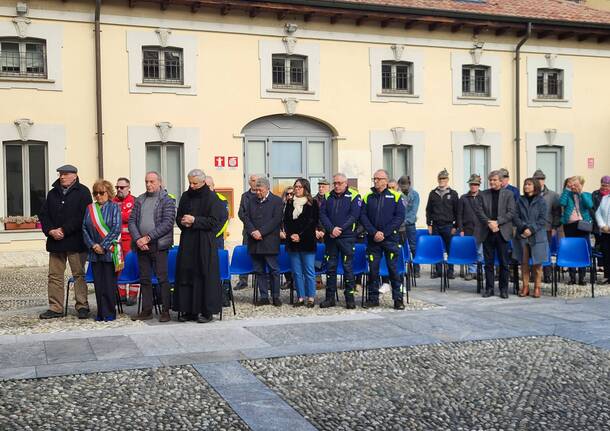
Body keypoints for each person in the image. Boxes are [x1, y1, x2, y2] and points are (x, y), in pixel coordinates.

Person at [38, 164, 92, 320]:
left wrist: (64, 230)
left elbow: (83, 216)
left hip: (75, 241)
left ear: (75, 175)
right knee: (54, 276)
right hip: (55, 242)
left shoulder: (83, 192)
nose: (62, 176)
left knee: (79, 275)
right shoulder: (53, 193)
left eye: (65, 174)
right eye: (60, 174)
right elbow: (44, 215)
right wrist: (50, 231)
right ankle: (55, 308)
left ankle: (82, 306)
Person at [174, 169, 227, 323]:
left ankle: (206, 311)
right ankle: (188, 310)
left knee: (204, 275)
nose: (192, 185)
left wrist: (195, 220)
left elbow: (214, 221)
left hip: (204, 241)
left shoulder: (212, 198)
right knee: (187, 273)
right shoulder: (186, 195)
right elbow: (179, 216)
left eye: (195, 183)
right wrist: (182, 221)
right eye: (190, 182)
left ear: (203, 182)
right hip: (188, 240)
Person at [128, 171, 176, 322]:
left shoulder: (167, 200)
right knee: (144, 279)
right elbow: (131, 222)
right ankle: (146, 310)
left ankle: (165, 311)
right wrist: (138, 240)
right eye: (146, 182)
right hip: (141, 246)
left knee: (162, 278)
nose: (149, 184)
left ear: (159, 182)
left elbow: (167, 223)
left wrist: (147, 238)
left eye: (152, 182)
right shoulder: (140, 199)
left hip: (158, 245)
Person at [360, 169, 406, 310]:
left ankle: (398, 299)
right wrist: (374, 232)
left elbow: (399, 217)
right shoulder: (368, 196)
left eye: (379, 179)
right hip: (373, 240)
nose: (376, 181)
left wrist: (384, 233)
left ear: (386, 181)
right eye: (374, 178)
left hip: (390, 239)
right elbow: (363, 216)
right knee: (373, 271)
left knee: (393, 270)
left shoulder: (396, 196)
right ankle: (373, 298)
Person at [319, 173, 361, 309]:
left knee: (348, 268)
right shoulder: (327, 196)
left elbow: (354, 216)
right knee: (330, 268)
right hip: (331, 238)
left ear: (346, 183)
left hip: (347, 237)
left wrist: (340, 229)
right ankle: (330, 298)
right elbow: (322, 215)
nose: (336, 185)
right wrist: (331, 229)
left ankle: (350, 299)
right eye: (335, 183)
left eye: (339, 183)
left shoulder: (354, 196)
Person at [82, 180, 122, 320]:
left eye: (101, 193)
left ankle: (110, 313)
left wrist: (103, 246)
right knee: (98, 284)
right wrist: (93, 245)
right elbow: (84, 229)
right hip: (94, 252)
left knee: (109, 284)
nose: (98, 196)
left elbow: (116, 228)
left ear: (109, 193)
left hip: (109, 252)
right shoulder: (89, 208)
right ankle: (101, 312)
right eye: (96, 193)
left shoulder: (115, 207)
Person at [475, 170, 516, 298]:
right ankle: (489, 289)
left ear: (501, 181)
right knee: (488, 263)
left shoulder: (508, 194)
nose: (492, 182)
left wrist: (497, 222)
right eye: (490, 180)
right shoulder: (483, 194)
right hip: (487, 232)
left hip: (502, 232)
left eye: (495, 180)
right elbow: (478, 210)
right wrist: (489, 223)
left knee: (504, 263)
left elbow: (511, 212)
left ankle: (503, 289)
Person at [243, 177, 283, 306]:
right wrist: (253, 231)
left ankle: (276, 296)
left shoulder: (277, 201)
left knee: (274, 270)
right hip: (254, 242)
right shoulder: (251, 200)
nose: (258, 193)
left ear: (267, 189)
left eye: (260, 190)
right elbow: (246, 218)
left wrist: (261, 232)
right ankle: (264, 296)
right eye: (256, 190)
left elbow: (276, 220)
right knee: (259, 270)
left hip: (269, 241)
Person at [283, 178, 319, 308]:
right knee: (297, 272)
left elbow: (311, 222)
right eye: (295, 186)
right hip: (293, 242)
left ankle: (310, 297)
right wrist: (292, 234)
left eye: (299, 187)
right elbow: (286, 221)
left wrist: (300, 236)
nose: (297, 189)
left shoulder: (312, 203)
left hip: (307, 241)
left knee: (309, 271)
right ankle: (300, 297)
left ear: (305, 188)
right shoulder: (289, 202)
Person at [513, 178, 549, 298]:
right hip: (522, 235)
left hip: (537, 236)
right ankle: (525, 287)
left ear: (535, 187)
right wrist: (524, 228)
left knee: (537, 264)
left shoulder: (541, 201)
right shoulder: (520, 200)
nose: (526, 186)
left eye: (529, 184)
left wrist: (531, 229)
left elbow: (543, 219)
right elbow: (515, 216)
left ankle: (537, 287)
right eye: (525, 184)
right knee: (524, 263)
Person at [559, 176, 594, 285]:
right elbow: (562, 203)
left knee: (582, 249)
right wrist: (567, 189)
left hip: (583, 225)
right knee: (571, 249)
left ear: (581, 185)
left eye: (576, 184)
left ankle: (582, 277)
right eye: (572, 184)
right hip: (570, 225)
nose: (574, 186)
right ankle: (572, 277)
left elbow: (589, 205)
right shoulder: (567, 194)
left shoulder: (586, 194)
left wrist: (581, 193)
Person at [425, 169, 459, 279]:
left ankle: (450, 271)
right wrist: (429, 225)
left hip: (448, 225)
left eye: (444, 178)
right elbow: (428, 210)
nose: (442, 180)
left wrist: (455, 226)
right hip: (435, 225)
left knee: (450, 249)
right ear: (437, 179)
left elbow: (457, 211)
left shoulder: (453, 194)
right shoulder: (433, 193)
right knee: (437, 248)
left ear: (447, 180)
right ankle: (438, 271)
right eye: (440, 179)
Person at [205, 175, 231, 307]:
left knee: (220, 267)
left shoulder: (222, 200)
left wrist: (212, 235)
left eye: (209, 186)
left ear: (213, 186)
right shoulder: (201, 199)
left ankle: (224, 295)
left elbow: (224, 222)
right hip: (204, 240)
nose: (207, 188)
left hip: (216, 239)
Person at [532, 170, 561, 283]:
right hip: (533, 228)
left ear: (544, 180)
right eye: (536, 179)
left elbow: (557, 213)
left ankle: (547, 275)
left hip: (547, 228)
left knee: (546, 251)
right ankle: (533, 275)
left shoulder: (553, 195)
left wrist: (554, 227)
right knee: (533, 251)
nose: (539, 181)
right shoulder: (529, 193)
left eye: (541, 179)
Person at [113, 177, 138, 305]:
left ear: (128, 188)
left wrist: (118, 216)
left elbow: (131, 217)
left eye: (122, 187)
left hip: (131, 241)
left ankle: (133, 295)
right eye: (117, 187)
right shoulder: (113, 201)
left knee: (132, 266)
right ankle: (121, 294)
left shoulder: (134, 201)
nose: (119, 190)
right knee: (119, 267)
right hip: (117, 241)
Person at [457, 174, 485, 281]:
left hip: (480, 229)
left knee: (480, 252)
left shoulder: (483, 197)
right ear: (469, 185)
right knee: (470, 251)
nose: (474, 186)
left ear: (479, 185)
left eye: (476, 184)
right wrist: (461, 229)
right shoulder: (463, 198)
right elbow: (459, 215)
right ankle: (472, 271)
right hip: (468, 229)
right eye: (472, 184)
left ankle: (480, 271)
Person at [236, 174, 260, 290]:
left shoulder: (262, 195)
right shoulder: (245, 196)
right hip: (247, 231)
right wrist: (250, 225)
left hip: (261, 231)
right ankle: (243, 280)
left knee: (261, 254)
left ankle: (261, 279)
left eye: (257, 180)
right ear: (249, 182)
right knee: (245, 252)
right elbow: (241, 213)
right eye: (253, 180)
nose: (255, 182)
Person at [397, 176, 420, 278]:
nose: (403, 187)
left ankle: (416, 269)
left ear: (409, 184)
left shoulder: (415, 195)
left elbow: (413, 212)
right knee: (400, 247)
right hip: (399, 226)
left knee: (413, 247)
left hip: (410, 225)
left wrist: (403, 221)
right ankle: (401, 268)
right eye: (401, 186)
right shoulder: (398, 195)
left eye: (404, 185)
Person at [592, 175, 610, 278]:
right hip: (604, 231)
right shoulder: (604, 198)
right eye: (603, 185)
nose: (605, 187)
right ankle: (607, 276)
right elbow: (598, 213)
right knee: (606, 254)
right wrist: (603, 226)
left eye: (607, 186)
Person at [314, 178, 330, 289]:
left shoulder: (331, 199)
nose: (321, 188)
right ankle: (318, 278)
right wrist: (315, 231)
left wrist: (324, 231)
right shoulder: (313, 200)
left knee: (328, 255)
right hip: (315, 233)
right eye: (319, 186)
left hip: (328, 232)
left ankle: (329, 277)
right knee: (317, 255)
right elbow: (311, 217)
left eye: (323, 186)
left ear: (328, 187)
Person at [280, 186, 295, 291]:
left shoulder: (299, 206)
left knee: (294, 260)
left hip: (295, 237)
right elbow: (276, 221)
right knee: (284, 259)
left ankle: (295, 281)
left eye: (291, 194)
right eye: (287, 194)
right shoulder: (280, 207)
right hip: (282, 238)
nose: (289, 196)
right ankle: (288, 280)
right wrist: (279, 232)